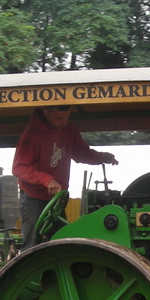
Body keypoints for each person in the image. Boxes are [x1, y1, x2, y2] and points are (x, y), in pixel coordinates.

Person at [12, 105, 119, 248]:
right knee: (32, 243)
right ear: (46, 112)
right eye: (59, 118)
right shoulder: (32, 135)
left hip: (56, 200)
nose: (63, 122)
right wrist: (46, 179)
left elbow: (82, 153)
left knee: (61, 241)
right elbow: (19, 168)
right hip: (33, 198)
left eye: (66, 118)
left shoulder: (69, 130)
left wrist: (102, 157)